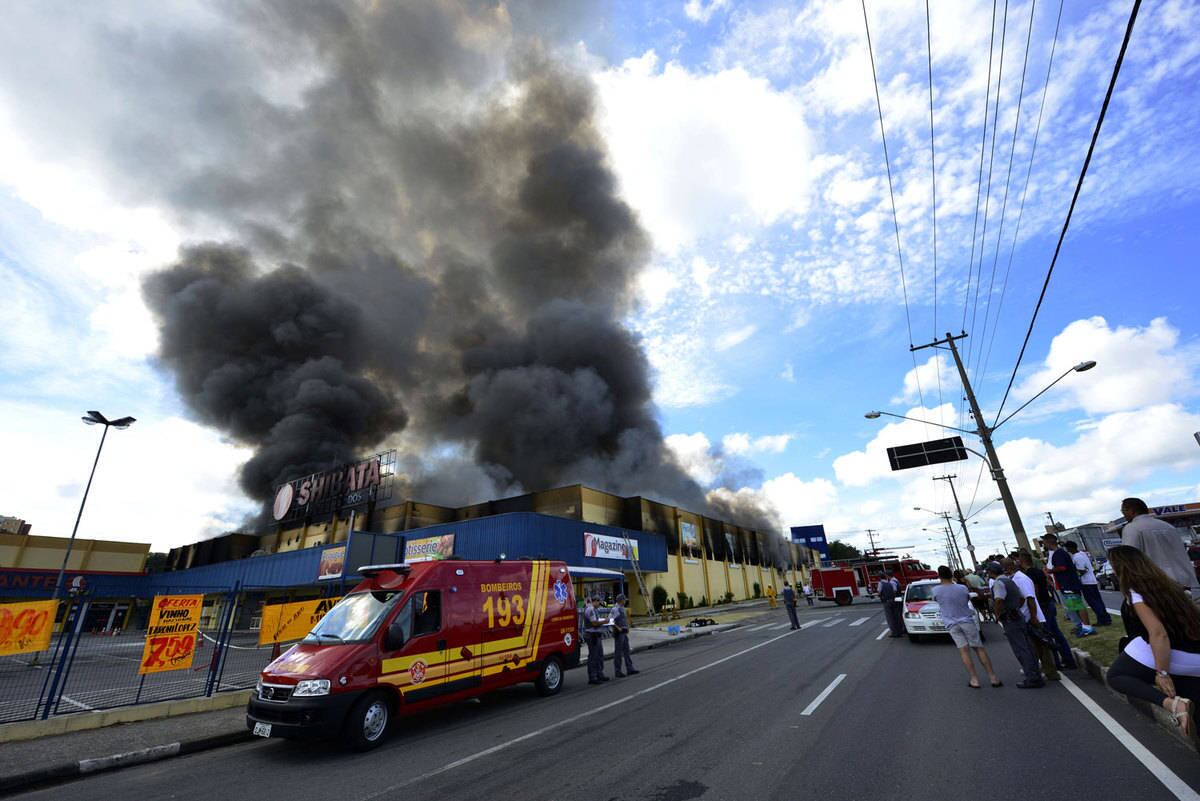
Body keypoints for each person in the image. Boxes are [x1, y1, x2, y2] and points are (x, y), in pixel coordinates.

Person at [1104, 546, 1200, 737]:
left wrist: (1162, 673)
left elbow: (1158, 633)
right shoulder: (1168, 585)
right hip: (1193, 656)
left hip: (1177, 655)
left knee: (1116, 676)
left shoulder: (1136, 592)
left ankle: (1172, 704)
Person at [934, 566, 1001, 688]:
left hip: (951, 623)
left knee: (964, 651)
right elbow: (966, 598)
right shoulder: (962, 587)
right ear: (951, 575)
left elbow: (937, 600)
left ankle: (974, 679)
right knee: (979, 648)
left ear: (939, 576)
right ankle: (993, 677)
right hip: (966, 620)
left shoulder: (936, 590)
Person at [1121, 498, 1199, 593]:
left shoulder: (1132, 528)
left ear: (1131, 510)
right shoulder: (1168, 526)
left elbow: (1129, 557)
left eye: (1123, 510)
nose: (1123, 514)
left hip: (1156, 582)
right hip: (1182, 579)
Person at [988, 560, 1044, 688]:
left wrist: (998, 614)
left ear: (991, 572)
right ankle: (1035, 674)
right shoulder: (1009, 581)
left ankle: (1032, 678)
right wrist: (1015, 608)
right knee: (1027, 647)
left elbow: (998, 601)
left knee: (1021, 648)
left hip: (1010, 619)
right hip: (1018, 616)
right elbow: (1021, 598)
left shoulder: (999, 583)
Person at [1018, 550, 1077, 672]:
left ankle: (1055, 663)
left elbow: (1035, 591)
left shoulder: (1029, 574)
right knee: (1056, 633)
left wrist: (1035, 607)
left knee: (1046, 635)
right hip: (1048, 602)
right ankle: (1068, 659)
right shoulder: (1038, 571)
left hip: (1043, 606)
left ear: (1023, 561)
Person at [1043, 532, 1095, 637]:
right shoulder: (1058, 553)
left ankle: (1087, 628)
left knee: (1078, 605)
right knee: (1074, 606)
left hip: (1069, 583)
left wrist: (1050, 571)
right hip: (1066, 584)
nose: (1044, 544)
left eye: (1044, 542)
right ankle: (1083, 626)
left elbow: (1062, 567)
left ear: (1049, 542)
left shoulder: (1059, 553)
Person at [1065, 540, 1113, 625]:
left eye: (1067, 548)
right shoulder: (1082, 554)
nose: (1066, 550)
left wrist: (1073, 571)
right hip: (1091, 581)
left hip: (1086, 582)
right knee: (1098, 601)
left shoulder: (1077, 557)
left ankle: (1103, 620)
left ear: (1070, 548)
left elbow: (1082, 570)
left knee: (1093, 602)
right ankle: (1105, 618)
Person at [583, 595, 610, 685]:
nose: (599, 604)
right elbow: (594, 623)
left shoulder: (594, 609)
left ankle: (599, 674)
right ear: (595, 601)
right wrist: (604, 622)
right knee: (593, 656)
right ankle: (593, 676)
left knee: (599, 655)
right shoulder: (590, 610)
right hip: (592, 635)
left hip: (596, 634)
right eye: (599, 602)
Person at [610, 594, 638, 677]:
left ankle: (630, 668)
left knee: (626, 651)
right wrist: (617, 628)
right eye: (624, 600)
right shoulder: (615, 609)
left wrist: (627, 627)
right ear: (621, 600)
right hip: (619, 633)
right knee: (618, 652)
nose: (625, 601)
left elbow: (624, 619)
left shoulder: (622, 608)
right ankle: (617, 671)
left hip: (624, 632)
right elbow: (611, 620)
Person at [878, 569, 903, 637]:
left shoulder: (890, 582)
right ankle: (899, 630)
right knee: (896, 616)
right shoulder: (893, 581)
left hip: (889, 601)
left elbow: (894, 591)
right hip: (894, 600)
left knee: (890, 617)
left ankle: (895, 632)